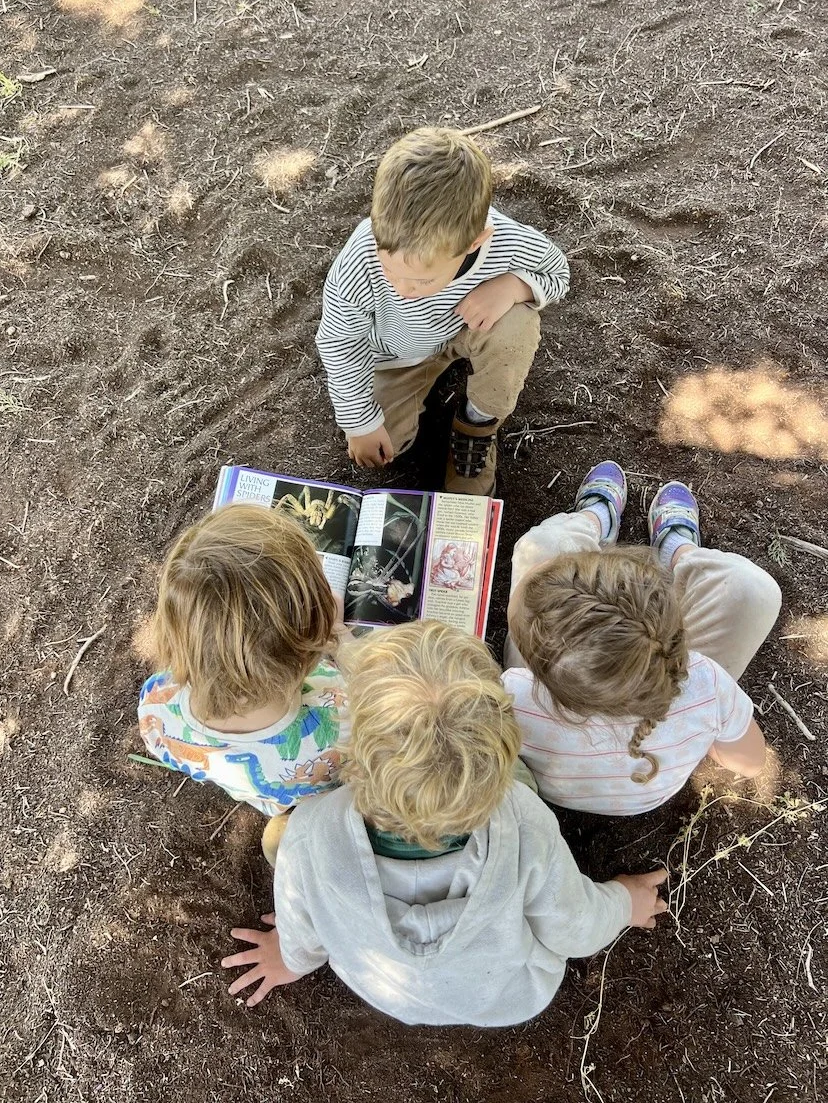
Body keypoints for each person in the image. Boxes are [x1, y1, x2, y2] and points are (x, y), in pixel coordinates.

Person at [220, 621, 667, 1024]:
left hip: (382, 988)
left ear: (355, 752)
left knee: (275, 839)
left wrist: (290, 959)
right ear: (503, 747)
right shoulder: (522, 819)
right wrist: (626, 901)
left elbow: (302, 929)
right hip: (504, 995)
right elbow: (575, 926)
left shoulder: (311, 831)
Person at [503, 463, 782, 814]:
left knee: (542, 546)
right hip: (651, 789)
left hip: (552, 790)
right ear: (675, 621)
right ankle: (677, 551)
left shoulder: (515, 693)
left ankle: (594, 520)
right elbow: (750, 763)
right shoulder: (706, 681)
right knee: (751, 590)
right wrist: (697, 730)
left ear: (537, 668)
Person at [316, 127, 570, 495]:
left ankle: (476, 427)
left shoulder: (508, 240)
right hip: (395, 356)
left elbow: (558, 272)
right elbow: (340, 343)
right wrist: (360, 424)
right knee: (390, 445)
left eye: (421, 281)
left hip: (466, 329)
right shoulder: (361, 255)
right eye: (390, 270)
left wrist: (514, 286)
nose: (402, 291)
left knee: (518, 324)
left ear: (474, 242)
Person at [137, 504, 347, 864]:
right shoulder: (339, 720)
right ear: (312, 637)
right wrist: (341, 635)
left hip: (259, 788)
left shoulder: (156, 707)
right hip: (315, 793)